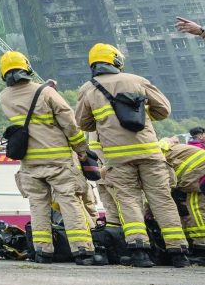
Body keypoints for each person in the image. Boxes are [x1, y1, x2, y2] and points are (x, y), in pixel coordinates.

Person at [75, 43, 189, 268]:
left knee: (128, 201)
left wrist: (105, 121)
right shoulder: (138, 80)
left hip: (117, 158)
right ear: (116, 60)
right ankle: (179, 253)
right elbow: (163, 110)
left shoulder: (88, 89)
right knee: (162, 200)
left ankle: (140, 252)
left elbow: (83, 123)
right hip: (150, 152)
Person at [0, 50, 103, 266]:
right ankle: (82, 250)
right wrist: (81, 149)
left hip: (30, 164)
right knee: (69, 203)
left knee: (38, 206)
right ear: (27, 67)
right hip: (59, 161)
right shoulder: (45, 93)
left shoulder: (4, 97)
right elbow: (70, 123)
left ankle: (42, 251)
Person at [159, 137, 205, 264]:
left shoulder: (155, 157)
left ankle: (202, 250)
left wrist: (150, 209)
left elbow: (163, 188)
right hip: (196, 173)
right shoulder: (162, 149)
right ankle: (197, 247)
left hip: (199, 173)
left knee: (196, 210)